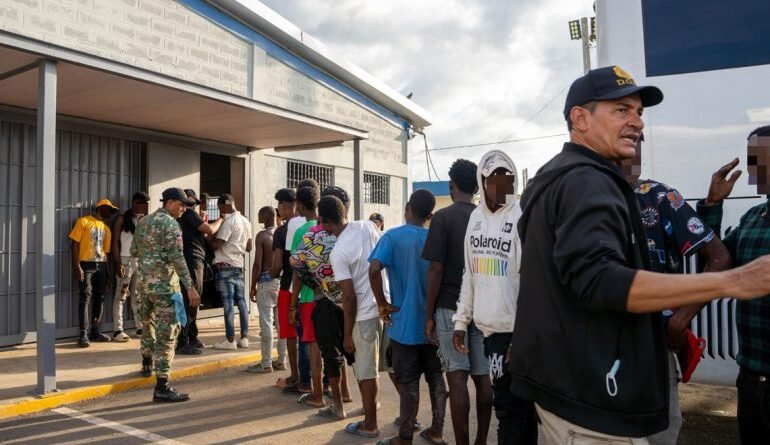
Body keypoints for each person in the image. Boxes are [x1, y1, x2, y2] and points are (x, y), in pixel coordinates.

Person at [510, 65, 770, 443]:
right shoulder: (587, 180)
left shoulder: (557, 177)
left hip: (568, 386)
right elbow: (599, 280)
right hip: (593, 400)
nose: (637, 122)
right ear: (580, 119)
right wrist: (732, 282)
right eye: (621, 110)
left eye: (639, 112)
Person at [620, 138, 732, 445]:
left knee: (658, 434)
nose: (632, 151)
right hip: (600, 348)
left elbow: (720, 258)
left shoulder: (659, 197)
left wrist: (681, 320)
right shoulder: (586, 200)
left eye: (637, 141)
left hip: (654, 347)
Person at [452, 150, 537, 445]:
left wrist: (521, 336)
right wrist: (461, 321)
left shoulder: (520, 217)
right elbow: (470, 272)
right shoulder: (475, 219)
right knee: (519, 410)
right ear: (483, 181)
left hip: (515, 334)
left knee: (509, 411)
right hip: (490, 333)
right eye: (495, 179)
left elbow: (532, 282)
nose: (503, 186)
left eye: (508, 179)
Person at [696, 126, 770, 445]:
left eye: (763, 157)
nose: (755, 168)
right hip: (751, 377)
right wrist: (712, 205)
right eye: (753, 159)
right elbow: (717, 260)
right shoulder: (753, 218)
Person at [369, 189, 448, 445]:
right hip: (434, 324)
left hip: (404, 326)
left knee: (408, 383)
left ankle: (405, 437)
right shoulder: (435, 238)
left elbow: (374, 269)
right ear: (430, 215)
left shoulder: (392, 237)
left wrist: (382, 304)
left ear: (407, 208)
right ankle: (437, 431)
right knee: (437, 379)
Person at [422, 159, 491, 445]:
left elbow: (435, 269)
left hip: (450, 306)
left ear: (452, 184)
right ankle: (481, 441)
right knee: (483, 377)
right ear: (476, 187)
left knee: (457, 378)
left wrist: (428, 314)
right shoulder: (487, 218)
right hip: (484, 307)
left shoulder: (443, 218)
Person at [289, 187, 355, 421]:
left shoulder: (311, 235)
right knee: (352, 351)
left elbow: (295, 263)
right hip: (351, 301)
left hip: (323, 299)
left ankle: (333, 403)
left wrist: (313, 281)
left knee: (327, 352)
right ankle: (351, 394)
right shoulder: (352, 233)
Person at [324, 194, 385, 439]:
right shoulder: (367, 226)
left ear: (327, 221)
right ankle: (383, 416)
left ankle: (370, 425)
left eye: (323, 224)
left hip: (364, 315)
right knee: (382, 369)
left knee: (365, 372)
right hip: (383, 307)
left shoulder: (338, 251)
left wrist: (347, 334)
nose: (324, 230)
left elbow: (349, 298)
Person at [131, 187, 200, 402]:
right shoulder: (171, 224)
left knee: (148, 324)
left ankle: (146, 362)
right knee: (167, 335)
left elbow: (134, 251)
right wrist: (190, 286)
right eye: (180, 205)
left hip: (144, 285)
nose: (183, 209)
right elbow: (177, 257)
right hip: (164, 288)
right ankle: (162, 385)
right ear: (168, 203)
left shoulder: (143, 222)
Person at [288, 186, 326, 407]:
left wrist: (292, 305)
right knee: (328, 343)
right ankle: (332, 387)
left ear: (300, 206)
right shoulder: (327, 227)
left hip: (309, 296)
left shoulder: (302, 231)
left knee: (310, 343)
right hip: (329, 295)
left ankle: (310, 387)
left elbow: (297, 271)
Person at [175, 189, 223, 355]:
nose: (193, 205)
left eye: (194, 203)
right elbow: (210, 230)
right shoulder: (189, 214)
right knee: (191, 301)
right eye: (191, 202)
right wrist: (221, 219)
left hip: (192, 261)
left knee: (192, 301)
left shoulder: (184, 217)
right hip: (192, 262)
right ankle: (184, 341)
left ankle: (192, 337)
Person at [70, 198, 119, 347]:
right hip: (86, 264)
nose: (110, 213)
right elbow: (74, 244)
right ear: (101, 207)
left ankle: (95, 331)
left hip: (101, 265)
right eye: (109, 210)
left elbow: (106, 253)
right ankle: (83, 334)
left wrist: (109, 274)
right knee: (85, 297)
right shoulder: (84, 221)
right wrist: (77, 266)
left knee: (100, 297)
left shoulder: (106, 229)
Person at [211, 194, 253, 350]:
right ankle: (244, 338)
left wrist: (206, 236)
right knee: (241, 302)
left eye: (219, 207)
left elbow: (217, 244)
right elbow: (249, 247)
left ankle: (230, 340)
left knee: (228, 302)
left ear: (224, 205)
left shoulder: (229, 222)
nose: (219, 210)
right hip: (239, 266)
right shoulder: (246, 221)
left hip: (225, 266)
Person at [268, 188, 298, 382]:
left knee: (291, 334)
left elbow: (278, 264)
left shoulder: (282, 231)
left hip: (288, 287)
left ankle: (295, 376)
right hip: (312, 289)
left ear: (285, 206)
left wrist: (268, 275)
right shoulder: (314, 226)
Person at [111, 192, 150, 342]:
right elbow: (115, 241)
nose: (145, 207)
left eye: (146, 204)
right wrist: (118, 262)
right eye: (142, 203)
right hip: (125, 260)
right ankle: (118, 330)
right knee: (121, 294)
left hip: (140, 261)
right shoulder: (122, 218)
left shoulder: (144, 220)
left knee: (138, 295)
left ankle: (140, 327)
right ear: (135, 203)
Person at [248, 206, 282, 372]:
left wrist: (252, 286)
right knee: (281, 324)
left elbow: (257, 264)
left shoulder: (262, 236)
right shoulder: (282, 234)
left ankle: (266, 363)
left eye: (260, 215)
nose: (258, 218)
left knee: (266, 324)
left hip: (266, 282)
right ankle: (281, 360)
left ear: (267, 217)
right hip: (281, 282)